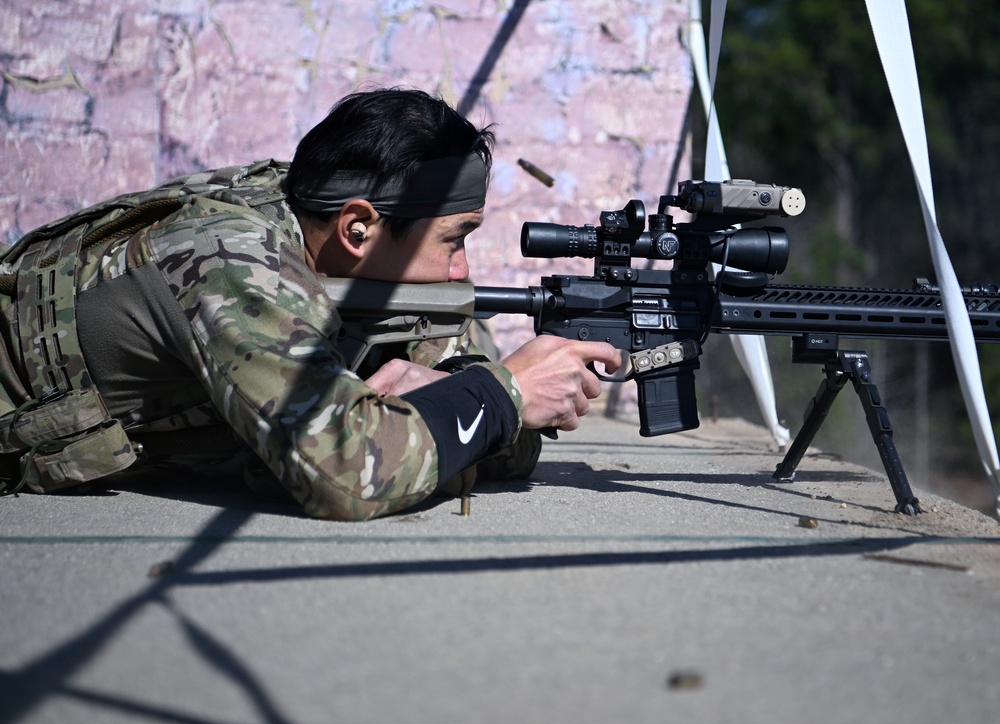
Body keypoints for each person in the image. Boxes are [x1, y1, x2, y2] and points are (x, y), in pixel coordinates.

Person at [0, 88, 620, 520]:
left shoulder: (357, 251)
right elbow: (348, 476)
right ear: (358, 229)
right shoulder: (230, 262)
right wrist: (500, 392)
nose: (463, 271)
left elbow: (505, 449)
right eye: (455, 242)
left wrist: (458, 391)